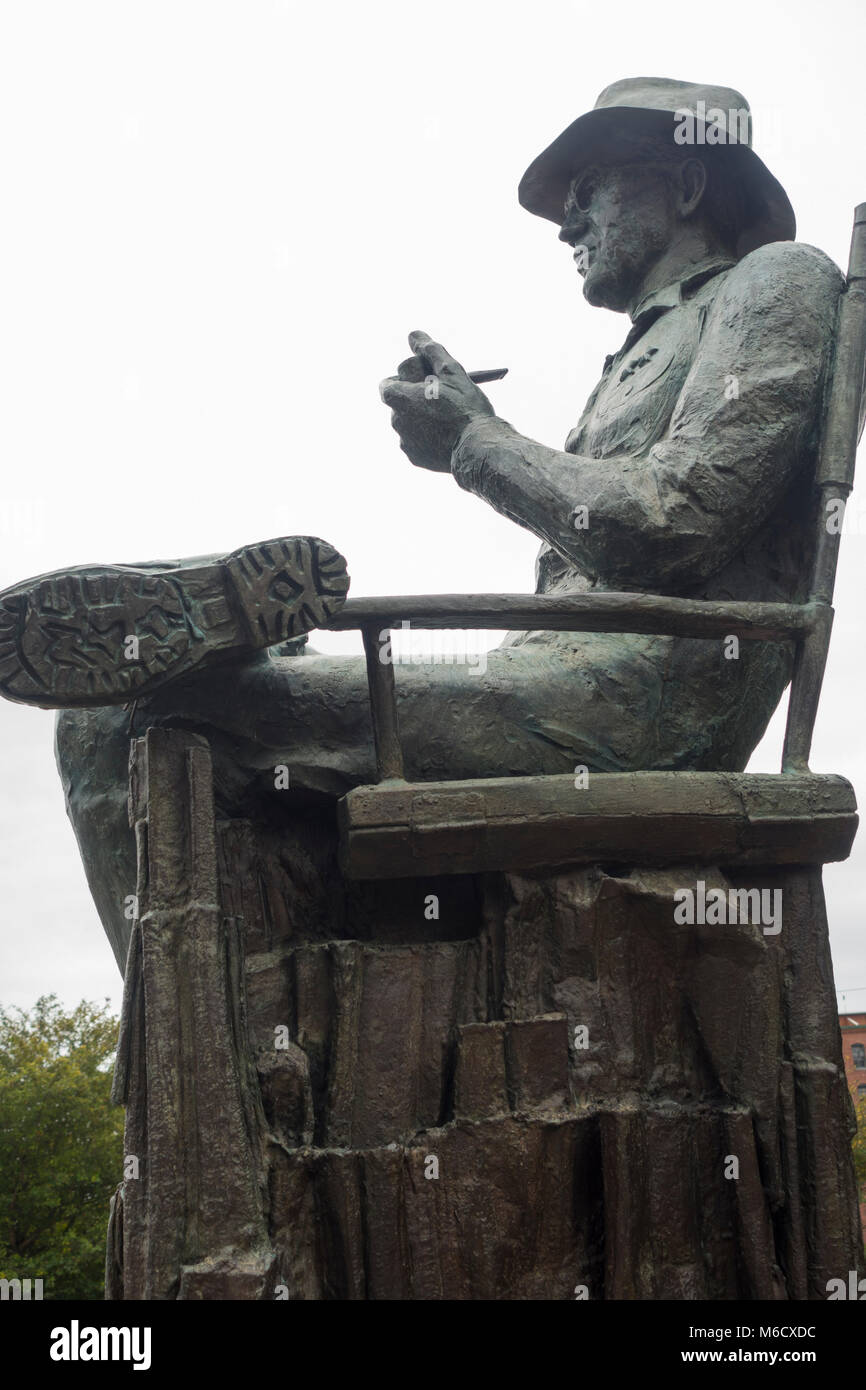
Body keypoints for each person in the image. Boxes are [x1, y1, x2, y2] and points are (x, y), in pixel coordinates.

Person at [0, 77, 845, 971]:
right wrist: (478, 435)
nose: (567, 226)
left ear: (684, 186)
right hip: (557, 671)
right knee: (134, 702)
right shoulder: (637, 355)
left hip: (646, 698)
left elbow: (680, 523)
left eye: (588, 190)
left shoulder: (779, 279)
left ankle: (186, 1080)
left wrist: (475, 442)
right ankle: (233, 630)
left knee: (132, 712)